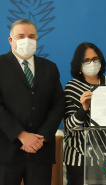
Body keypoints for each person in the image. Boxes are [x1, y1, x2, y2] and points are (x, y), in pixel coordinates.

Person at [0, 19, 64, 185]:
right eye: (20, 36)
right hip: (6, 150)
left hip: (41, 151)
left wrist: (40, 138)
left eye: (31, 36)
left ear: (36, 39)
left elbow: (58, 104)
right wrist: (21, 135)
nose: (26, 40)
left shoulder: (50, 67)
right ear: (10, 40)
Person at [63, 42, 106, 185]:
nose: (92, 63)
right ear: (79, 65)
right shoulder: (71, 87)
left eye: (95, 59)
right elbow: (69, 127)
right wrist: (83, 108)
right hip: (80, 157)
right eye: (86, 60)